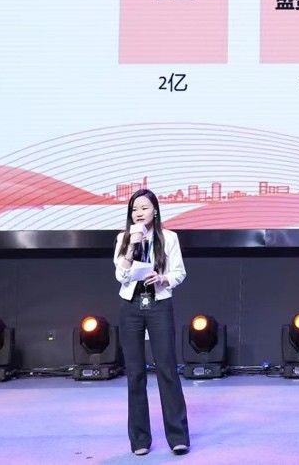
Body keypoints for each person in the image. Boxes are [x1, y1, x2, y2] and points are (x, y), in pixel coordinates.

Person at [114, 189, 190, 456]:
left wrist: (162, 278)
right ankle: (140, 440)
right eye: (135, 209)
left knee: (167, 369)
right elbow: (121, 275)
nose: (139, 213)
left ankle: (178, 437)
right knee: (135, 374)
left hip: (158, 304)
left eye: (144, 208)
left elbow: (179, 272)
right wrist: (131, 246)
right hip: (131, 307)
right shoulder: (123, 238)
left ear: (155, 211)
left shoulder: (169, 238)